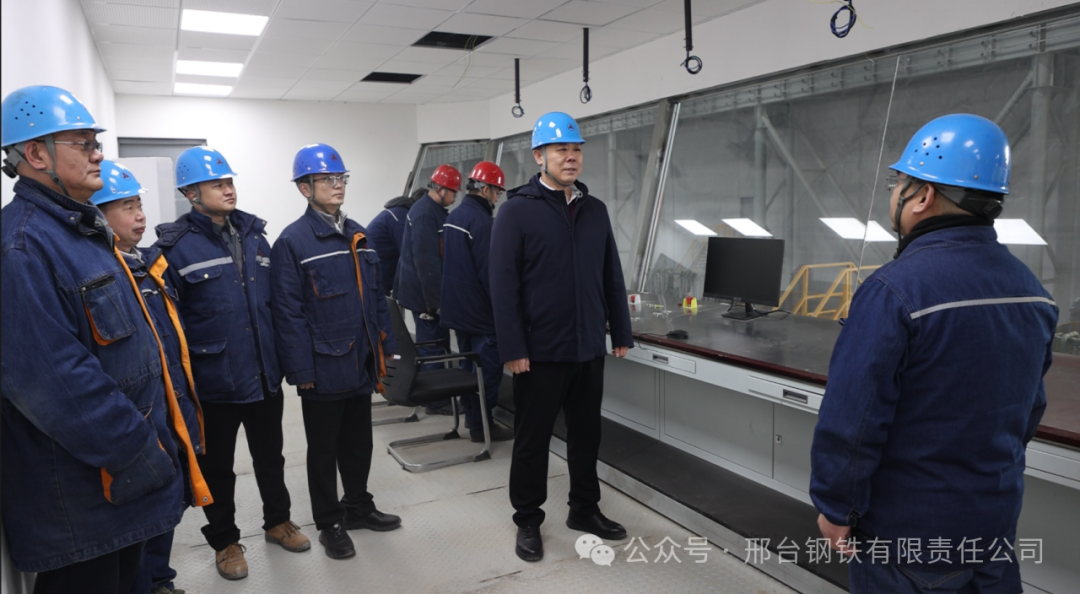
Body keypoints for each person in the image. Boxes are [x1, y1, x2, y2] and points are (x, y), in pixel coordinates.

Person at [810, 114, 1058, 593]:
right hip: (992, 524)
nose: (893, 196)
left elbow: (853, 420)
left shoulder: (893, 290)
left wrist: (836, 507)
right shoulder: (1033, 291)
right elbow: (1029, 409)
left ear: (922, 196)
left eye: (897, 184)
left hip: (906, 535)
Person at [0, 86, 186, 594]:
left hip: (117, 489)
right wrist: (141, 451)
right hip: (83, 501)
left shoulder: (80, 232)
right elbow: (53, 382)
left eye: (94, 142)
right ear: (36, 154)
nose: (98, 153)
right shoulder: (22, 246)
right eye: (83, 143)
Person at [156, 147, 309, 581]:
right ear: (191, 193)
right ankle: (225, 541)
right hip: (214, 382)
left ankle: (278, 521)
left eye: (230, 182)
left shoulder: (256, 236)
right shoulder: (176, 248)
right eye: (217, 184)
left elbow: (275, 303)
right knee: (217, 468)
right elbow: (171, 325)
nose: (229, 190)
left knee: (271, 458)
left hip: (263, 374)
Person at [489, 112, 634, 562]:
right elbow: (502, 285)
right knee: (532, 439)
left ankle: (584, 509)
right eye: (560, 150)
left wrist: (620, 330)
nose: (570, 157)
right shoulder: (516, 211)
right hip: (539, 352)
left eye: (575, 150)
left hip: (587, 347)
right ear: (539, 156)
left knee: (587, 435)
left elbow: (611, 275)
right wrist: (514, 348)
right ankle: (528, 520)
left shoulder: (595, 210)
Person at [271, 144, 402, 560]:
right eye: (327, 179)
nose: (337, 185)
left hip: (361, 360)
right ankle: (329, 522)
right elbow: (287, 313)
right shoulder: (292, 242)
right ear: (305, 188)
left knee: (359, 443)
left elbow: (377, 298)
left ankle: (358, 505)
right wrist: (301, 370)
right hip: (323, 366)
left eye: (341, 177)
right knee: (324, 450)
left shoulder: (358, 233)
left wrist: (386, 347)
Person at [90, 161, 213, 594]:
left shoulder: (149, 265)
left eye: (138, 205)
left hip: (170, 403)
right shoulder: (102, 275)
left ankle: (160, 580)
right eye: (126, 207)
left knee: (168, 500)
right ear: (98, 216)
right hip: (137, 415)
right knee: (141, 511)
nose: (140, 216)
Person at [440, 161, 515, 444]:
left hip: (459, 310)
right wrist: (506, 311)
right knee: (487, 371)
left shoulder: (455, 216)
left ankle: (473, 420)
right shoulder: (482, 223)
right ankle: (482, 427)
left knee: (469, 369)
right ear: (485, 190)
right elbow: (489, 275)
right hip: (481, 314)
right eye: (497, 193)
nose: (497, 199)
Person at [394, 164, 461, 415]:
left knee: (434, 342)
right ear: (441, 189)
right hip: (423, 295)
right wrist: (434, 303)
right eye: (453, 192)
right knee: (432, 345)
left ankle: (435, 396)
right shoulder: (425, 214)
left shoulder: (429, 209)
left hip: (420, 291)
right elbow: (427, 262)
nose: (455, 198)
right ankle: (435, 401)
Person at [366, 188, 427, 296]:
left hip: (377, 266)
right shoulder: (401, 216)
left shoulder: (399, 211)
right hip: (374, 270)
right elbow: (408, 251)